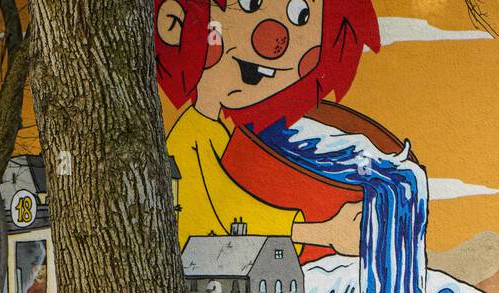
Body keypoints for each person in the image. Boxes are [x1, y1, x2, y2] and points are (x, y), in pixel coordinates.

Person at [155, 0, 379, 253]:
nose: (277, 43)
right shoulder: (189, 136)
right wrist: (324, 232)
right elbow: (222, 217)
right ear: (174, 23)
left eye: (301, 15)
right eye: (250, 4)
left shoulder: (214, 132)